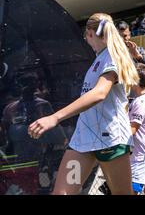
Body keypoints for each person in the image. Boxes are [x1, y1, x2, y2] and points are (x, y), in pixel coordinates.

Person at [28, 13, 139, 195]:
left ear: (89, 33)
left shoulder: (112, 57)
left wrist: (55, 117)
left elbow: (100, 93)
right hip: (83, 140)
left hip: (109, 139)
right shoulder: (98, 59)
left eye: (86, 37)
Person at [128, 63, 145, 195]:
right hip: (134, 155)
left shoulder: (141, 103)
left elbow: (132, 129)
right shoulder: (138, 100)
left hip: (139, 157)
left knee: (132, 192)